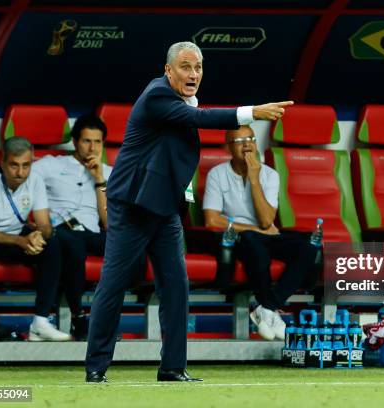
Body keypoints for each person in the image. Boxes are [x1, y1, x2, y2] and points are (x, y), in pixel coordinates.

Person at [84, 41, 293, 383]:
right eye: (185, 66)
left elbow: (172, 153)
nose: (193, 73)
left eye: (197, 67)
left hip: (164, 209)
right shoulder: (158, 96)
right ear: (168, 71)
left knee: (176, 286)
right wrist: (252, 112)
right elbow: (201, 118)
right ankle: (95, 367)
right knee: (114, 285)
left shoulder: (182, 101)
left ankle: (172, 367)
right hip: (133, 207)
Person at [203, 125, 318, 341]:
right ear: (228, 147)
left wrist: (254, 178)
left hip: (265, 235)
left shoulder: (270, 175)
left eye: (251, 139)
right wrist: (253, 229)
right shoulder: (217, 174)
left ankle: (267, 307)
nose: (247, 145)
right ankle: (269, 309)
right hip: (236, 238)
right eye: (239, 141)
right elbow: (212, 220)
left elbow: (266, 220)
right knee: (253, 243)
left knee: (307, 247)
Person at [0, 136, 70, 342]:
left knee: (53, 245)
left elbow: (44, 223)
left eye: (26, 165)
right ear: (3, 162)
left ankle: (40, 322)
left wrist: (39, 236)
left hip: (13, 237)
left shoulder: (35, 180)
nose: (20, 173)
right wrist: (22, 241)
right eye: (14, 165)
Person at [32, 114, 112, 340]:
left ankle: (100, 319)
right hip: (60, 231)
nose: (92, 147)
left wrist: (98, 179)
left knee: (126, 245)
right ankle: (79, 316)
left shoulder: (109, 172)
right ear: (76, 142)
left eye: (97, 142)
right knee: (71, 243)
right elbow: (22, 184)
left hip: (93, 234)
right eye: (87, 141)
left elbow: (108, 222)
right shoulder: (51, 164)